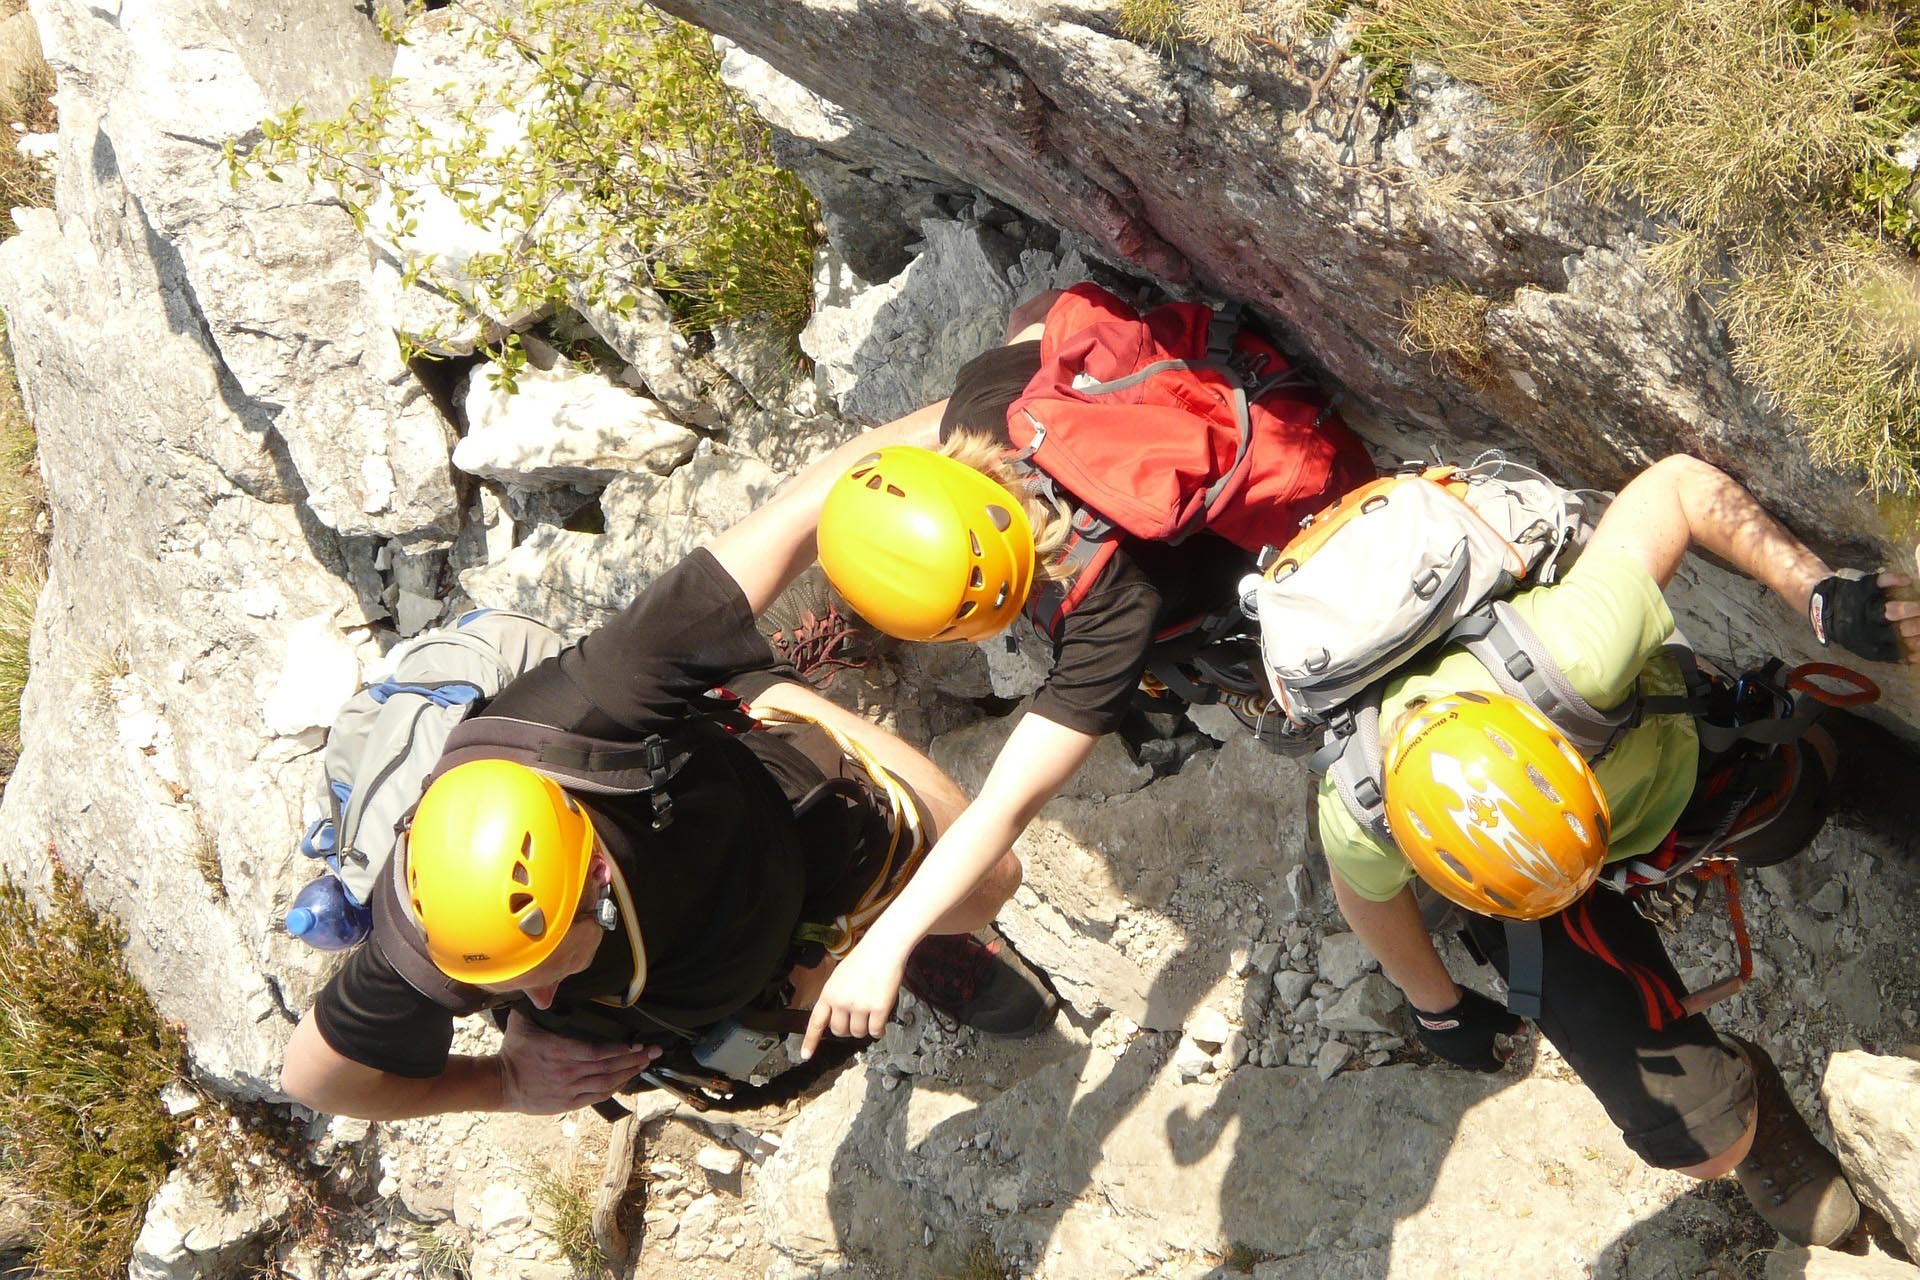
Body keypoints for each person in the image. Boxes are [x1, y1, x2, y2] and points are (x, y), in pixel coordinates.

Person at [279, 492, 1056, 1121]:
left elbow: (819, 498)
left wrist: (1013, 389)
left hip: (768, 820)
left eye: (542, 970)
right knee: (794, 1020)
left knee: (990, 880)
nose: (534, 1004)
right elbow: (316, 1081)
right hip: (709, 980)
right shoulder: (437, 934)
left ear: (593, 876)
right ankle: (870, 946)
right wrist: (503, 1087)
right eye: (516, 986)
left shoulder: (595, 706)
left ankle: (774, 702)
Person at [751, 285, 1376, 1059]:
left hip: (1302, 555)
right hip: (1235, 391)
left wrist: (886, 944)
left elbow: (1002, 811)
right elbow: (1044, 315)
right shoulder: (981, 404)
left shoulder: (1107, 620)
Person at [1320, 452, 1919, 1247]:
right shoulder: (1366, 809)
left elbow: (1676, 485)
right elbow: (1362, 890)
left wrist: (1818, 594)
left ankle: (1834, 763)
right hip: (1512, 875)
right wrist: (1439, 1008)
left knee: (1790, 816)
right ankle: (1747, 1109)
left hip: (1641, 760)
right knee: (1696, 1139)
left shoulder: (1573, 655)